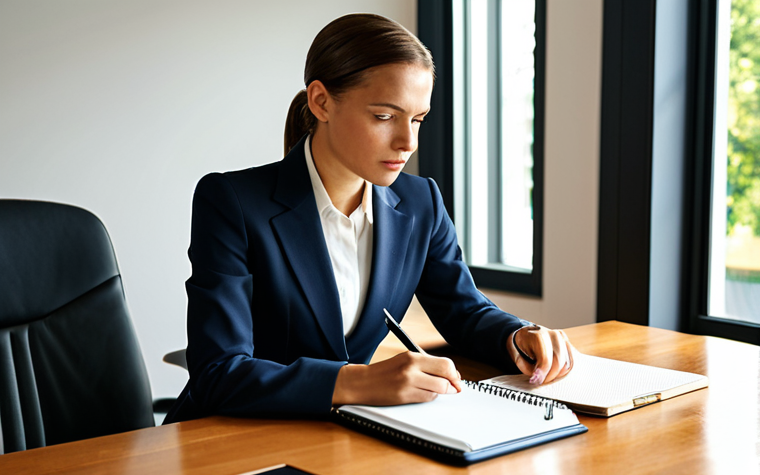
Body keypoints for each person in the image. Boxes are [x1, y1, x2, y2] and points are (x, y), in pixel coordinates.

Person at [164, 13, 574, 423]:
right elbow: (218, 373)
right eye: (384, 117)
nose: (407, 142)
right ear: (321, 102)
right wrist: (358, 382)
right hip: (231, 437)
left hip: (347, 434)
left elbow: (463, 312)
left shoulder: (420, 202)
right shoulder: (231, 201)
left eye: (418, 119)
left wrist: (517, 335)